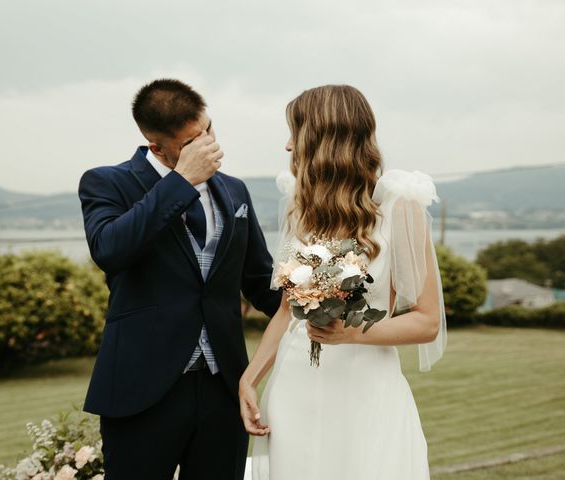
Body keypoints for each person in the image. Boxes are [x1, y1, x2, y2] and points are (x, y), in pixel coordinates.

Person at [239, 84, 447, 480]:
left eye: (294, 132)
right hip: (295, 383)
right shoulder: (300, 209)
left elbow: (426, 321)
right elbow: (286, 310)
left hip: (365, 387)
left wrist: (351, 334)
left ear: (321, 139)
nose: (287, 146)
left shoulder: (399, 208)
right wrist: (250, 380)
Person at [78, 78, 282, 480]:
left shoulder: (235, 190)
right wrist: (180, 182)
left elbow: (260, 279)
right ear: (157, 146)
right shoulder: (107, 182)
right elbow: (110, 250)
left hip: (224, 386)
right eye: (194, 141)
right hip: (143, 390)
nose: (210, 145)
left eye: (209, 129)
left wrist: (319, 312)